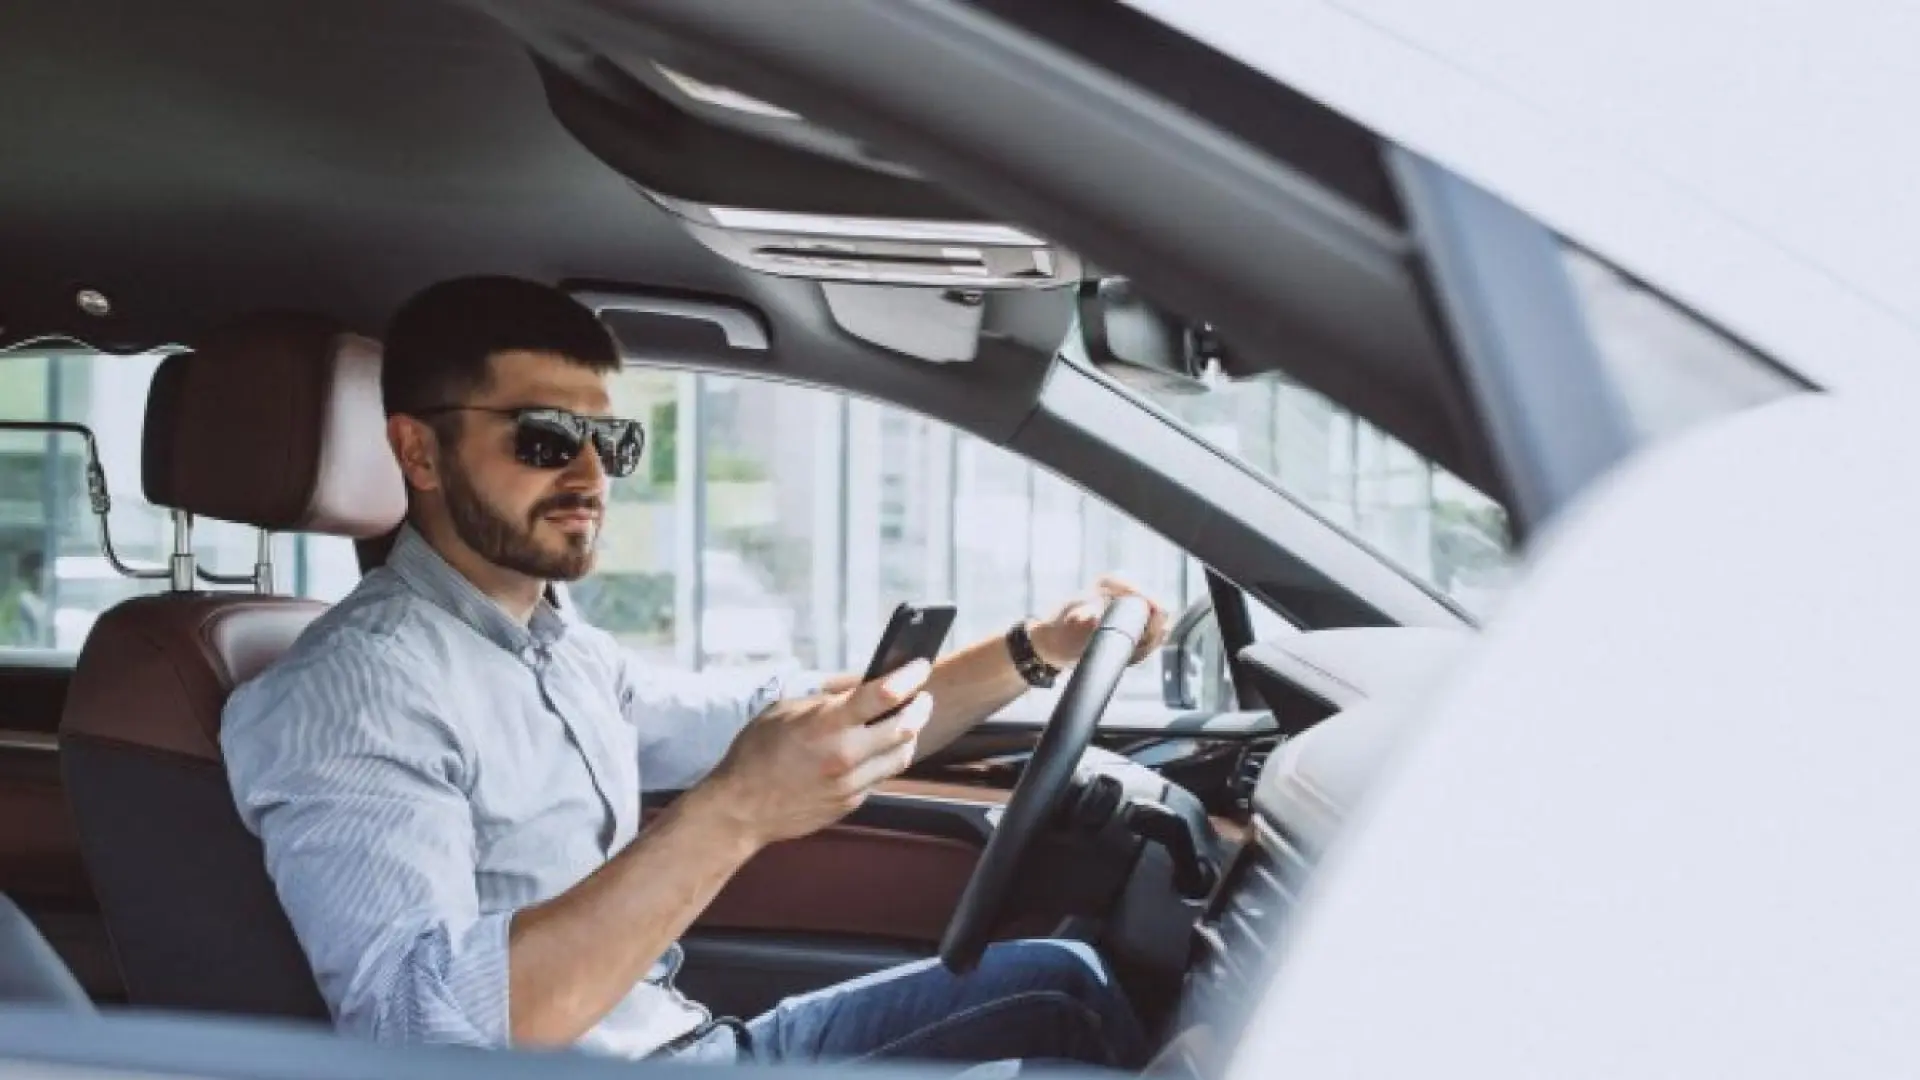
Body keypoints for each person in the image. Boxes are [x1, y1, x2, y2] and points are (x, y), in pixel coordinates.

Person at [221, 277, 1170, 1069]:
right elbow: (415, 1038)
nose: (593, 477)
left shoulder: (554, 645)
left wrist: (1033, 652)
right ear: (417, 450)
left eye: (614, 443)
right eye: (546, 437)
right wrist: (734, 812)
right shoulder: (356, 692)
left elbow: (775, 717)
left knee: (1062, 983)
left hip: (697, 1046)